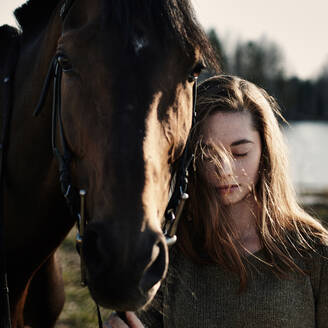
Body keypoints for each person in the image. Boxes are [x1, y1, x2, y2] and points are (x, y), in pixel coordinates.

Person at [107, 75, 328, 328]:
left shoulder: (314, 253)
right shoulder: (170, 257)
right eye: (208, 153)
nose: (224, 170)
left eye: (240, 153)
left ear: (266, 152)